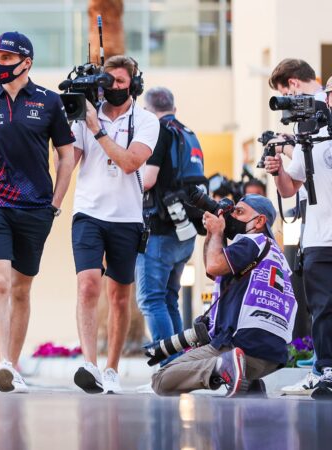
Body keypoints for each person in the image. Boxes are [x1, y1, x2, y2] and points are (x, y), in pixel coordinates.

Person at [0, 32, 75, 393]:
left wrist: (55, 201)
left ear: (27, 62)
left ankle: (13, 364)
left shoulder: (50, 102)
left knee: (21, 289)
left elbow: (66, 155)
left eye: (7, 58)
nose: (0, 64)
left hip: (36, 206)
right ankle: (2, 362)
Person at [68, 55, 160, 394]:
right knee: (88, 285)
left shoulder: (147, 121)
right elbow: (68, 161)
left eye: (122, 82)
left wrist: (97, 129)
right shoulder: (85, 116)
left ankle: (111, 369)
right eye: (109, 82)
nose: (115, 88)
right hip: (88, 213)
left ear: (134, 84)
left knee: (120, 297)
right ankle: (90, 363)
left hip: (126, 217)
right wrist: (67, 127)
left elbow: (129, 162)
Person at [152, 195, 295, 397]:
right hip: (271, 355)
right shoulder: (273, 252)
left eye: (239, 212)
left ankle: (222, 366)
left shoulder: (251, 243)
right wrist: (212, 233)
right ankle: (249, 383)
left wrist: (218, 231)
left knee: (161, 380)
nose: (233, 216)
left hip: (242, 346)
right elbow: (213, 266)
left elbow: (214, 265)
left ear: (260, 221)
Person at [264, 72, 332, 400]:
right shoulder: (311, 139)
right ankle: (327, 370)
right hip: (318, 238)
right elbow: (291, 188)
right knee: (321, 308)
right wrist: (278, 169)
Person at [136, 86, 205, 365]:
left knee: (151, 300)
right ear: (173, 109)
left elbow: (148, 179)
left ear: (146, 110)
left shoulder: (157, 131)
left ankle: (168, 366)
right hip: (185, 228)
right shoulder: (189, 133)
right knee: (169, 298)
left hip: (159, 230)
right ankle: (179, 364)